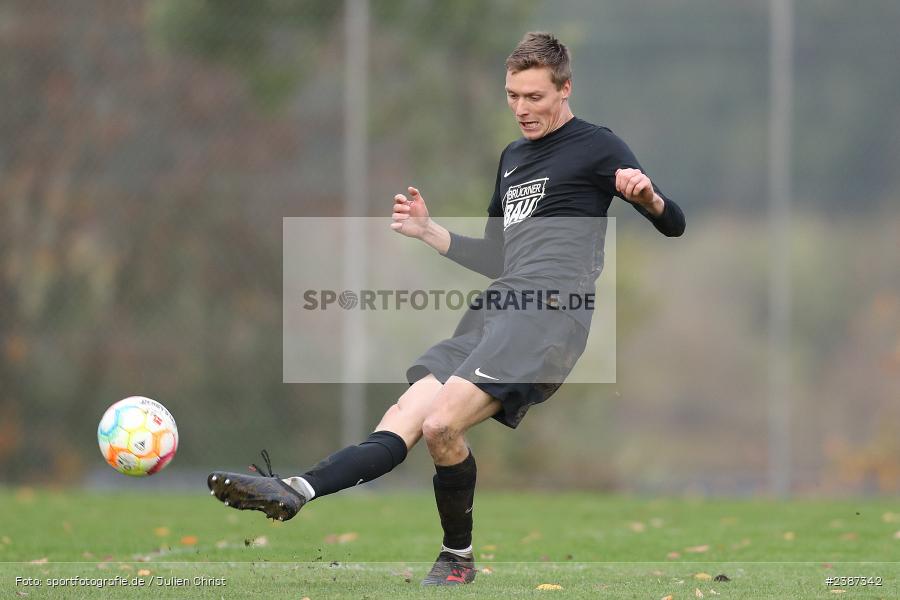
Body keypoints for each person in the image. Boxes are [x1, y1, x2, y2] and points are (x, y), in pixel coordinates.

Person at [208, 31, 685, 586]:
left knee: (441, 423)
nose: (521, 109)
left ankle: (456, 559)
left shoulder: (598, 146)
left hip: (552, 314)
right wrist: (432, 232)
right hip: (498, 309)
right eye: (512, 95)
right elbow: (501, 256)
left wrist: (646, 198)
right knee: (404, 423)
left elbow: (673, 223)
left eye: (534, 97)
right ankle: (298, 489)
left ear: (565, 88)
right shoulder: (512, 158)